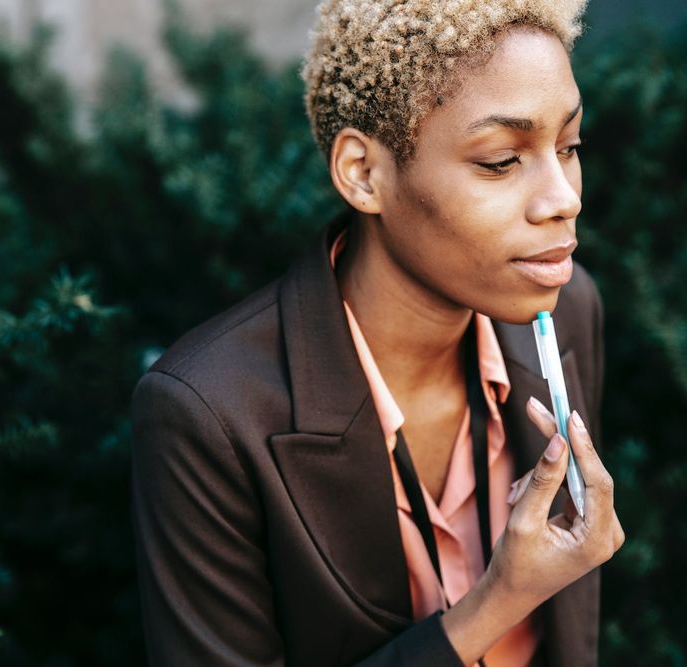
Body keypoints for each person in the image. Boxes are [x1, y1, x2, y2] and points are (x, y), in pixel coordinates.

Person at [130, 0, 625, 664]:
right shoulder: (208, 412)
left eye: (568, 146)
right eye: (502, 159)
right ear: (363, 173)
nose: (564, 196)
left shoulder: (565, 310)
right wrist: (497, 602)